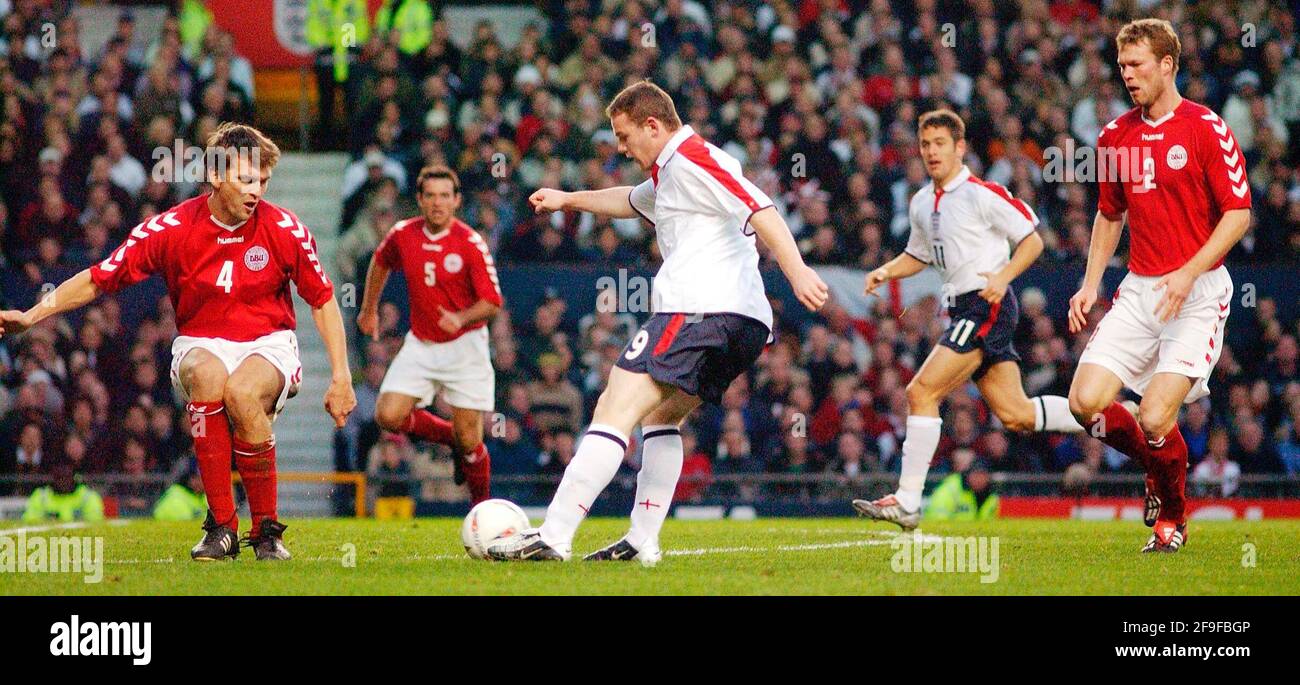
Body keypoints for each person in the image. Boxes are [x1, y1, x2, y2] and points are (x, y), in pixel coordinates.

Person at [487, 80, 828, 563]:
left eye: (624, 137)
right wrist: (568, 199)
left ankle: (555, 534)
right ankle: (643, 539)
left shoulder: (693, 157)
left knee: (613, 407)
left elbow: (760, 205)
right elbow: (631, 200)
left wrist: (797, 271)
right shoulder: (670, 173)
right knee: (660, 417)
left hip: (699, 308)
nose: (620, 148)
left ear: (653, 125)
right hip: (741, 322)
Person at [1, 123, 357, 561]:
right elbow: (99, 278)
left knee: (242, 394)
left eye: (263, 180)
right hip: (201, 341)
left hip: (268, 343)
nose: (257, 191)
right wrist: (33, 315)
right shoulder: (171, 228)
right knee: (209, 378)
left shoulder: (285, 228)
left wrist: (341, 376)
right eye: (246, 179)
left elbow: (323, 301)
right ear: (215, 177)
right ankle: (222, 528)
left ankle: (266, 531)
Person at [1066, 19, 1251, 553]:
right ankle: (1158, 464)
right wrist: (1089, 284)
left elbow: (1238, 215)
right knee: (1086, 403)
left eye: (1137, 64)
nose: (1127, 75)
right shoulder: (1114, 136)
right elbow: (1109, 215)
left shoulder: (1205, 127)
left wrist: (1189, 272)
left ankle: (1172, 515)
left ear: (1168, 64)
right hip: (1141, 290)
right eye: (1122, 65)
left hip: (1197, 294)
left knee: (1153, 414)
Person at [851, 109, 1083, 531]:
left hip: (986, 303)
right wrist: (886, 270)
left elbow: (1031, 240)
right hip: (962, 308)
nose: (931, 152)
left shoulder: (981, 193)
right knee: (1016, 414)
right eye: (925, 145)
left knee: (921, 391)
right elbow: (918, 255)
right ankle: (1106, 415)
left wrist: (1003, 277)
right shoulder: (922, 202)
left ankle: (906, 501)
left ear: (960, 148)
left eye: (940, 143)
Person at [358, 165, 502, 504]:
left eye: (444, 196)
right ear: (420, 201)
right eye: (431, 196)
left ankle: (481, 512)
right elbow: (380, 262)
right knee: (388, 415)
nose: (438, 203)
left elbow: (493, 302)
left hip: (465, 346)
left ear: (456, 201)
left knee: (471, 440)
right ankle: (449, 438)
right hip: (422, 342)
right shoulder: (403, 234)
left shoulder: (470, 242)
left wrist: (461, 317)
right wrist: (368, 309)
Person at [923, 453, 999, 521]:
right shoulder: (950, 488)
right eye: (976, 475)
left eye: (983, 475)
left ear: (988, 477)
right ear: (968, 475)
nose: (979, 479)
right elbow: (938, 519)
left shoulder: (992, 496)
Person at [21, 462, 105, 523]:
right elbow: (29, 522)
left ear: (74, 478)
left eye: (67, 477)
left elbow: (95, 524)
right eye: (60, 478)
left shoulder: (89, 497)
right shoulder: (41, 496)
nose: (63, 482)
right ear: (53, 478)